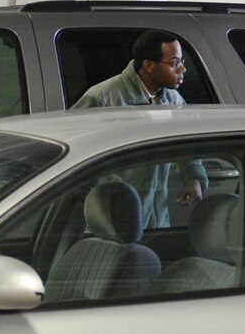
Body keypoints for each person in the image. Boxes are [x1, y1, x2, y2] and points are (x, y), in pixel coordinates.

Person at [71, 30, 206, 228]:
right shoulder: (104, 99)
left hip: (157, 220)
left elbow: (185, 145)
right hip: (112, 221)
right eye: (174, 63)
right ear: (149, 65)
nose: (183, 69)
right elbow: (74, 157)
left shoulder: (173, 101)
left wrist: (194, 177)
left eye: (181, 62)